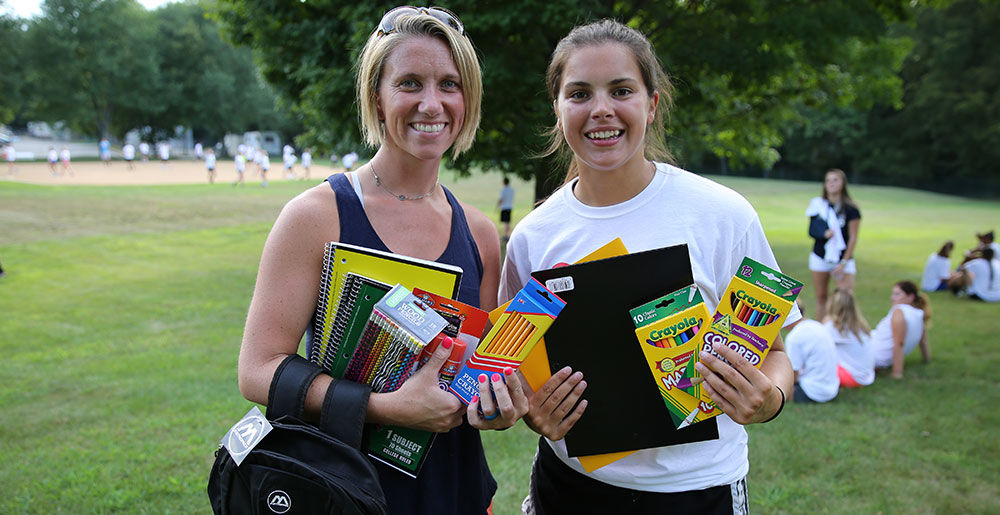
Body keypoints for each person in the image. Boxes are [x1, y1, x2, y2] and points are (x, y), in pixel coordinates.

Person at [500, 20, 796, 513]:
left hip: (699, 491)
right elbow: (516, 367)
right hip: (568, 488)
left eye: (621, 90)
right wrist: (534, 412)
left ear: (652, 104)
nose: (601, 110)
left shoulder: (722, 214)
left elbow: (778, 350)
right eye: (579, 93)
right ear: (557, 109)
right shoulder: (534, 236)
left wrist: (771, 400)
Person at [237, 7, 524, 514]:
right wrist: (387, 409)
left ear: (468, 98)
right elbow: (257, 370)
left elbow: (477, 376)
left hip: (454, 490)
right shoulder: (316, 216)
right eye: (409, 83)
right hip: (339, 489)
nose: (431, 103)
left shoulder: (480, 234)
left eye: (450, 84)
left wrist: (495, 407)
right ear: (377, 95)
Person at [806, 168, 861, 320]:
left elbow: (853, 237)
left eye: (835, 180)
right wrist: (824, 233)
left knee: (844, 298)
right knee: (821, 296)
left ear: (843, 183)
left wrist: (844, 262)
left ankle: (842, 330)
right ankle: (823, 330)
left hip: (843, 258)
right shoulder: (818, 205)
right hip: (820, 255)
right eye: (828, 180)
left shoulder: (851, 209)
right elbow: (812, 230)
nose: (831, 183)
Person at [871, 280, 931, 379]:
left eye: (897, 294)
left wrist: (897, 373)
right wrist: (927, 360)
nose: (892, 298)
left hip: (875, 355)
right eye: (893, 294)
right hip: (874, 349)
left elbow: (899, 344)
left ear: (910, 297)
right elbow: (923, 342)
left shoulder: (900, 312)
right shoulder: (919, 314)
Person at [783, 302, 839, 403]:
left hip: (811, 393)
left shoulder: (794, 337)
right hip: (832, 389)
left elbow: (793, 375)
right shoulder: (817, 325)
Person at [823, 288, 874, 388]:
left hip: (852, 377)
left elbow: (818, 340)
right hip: (867, 375)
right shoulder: (861, 326)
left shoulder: (833, 328)